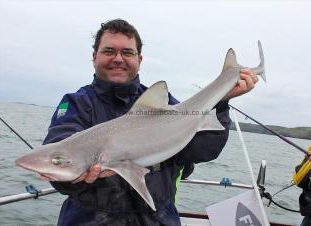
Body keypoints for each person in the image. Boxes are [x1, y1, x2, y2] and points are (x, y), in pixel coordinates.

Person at [42, 19, 259, 226]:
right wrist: (72, 177)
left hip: (158, 219)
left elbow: (203, 151)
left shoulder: (162, 105)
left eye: (127, 52)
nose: (118, 58)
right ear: (94, 56)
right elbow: (60, 148)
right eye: (109, 51)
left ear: (139, 59)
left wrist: (221, 103)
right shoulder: (76, 103)